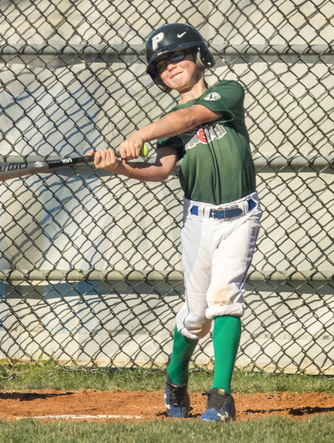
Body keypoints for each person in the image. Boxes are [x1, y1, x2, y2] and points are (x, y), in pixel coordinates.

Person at [91, 23, 262, 422]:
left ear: (200, 56)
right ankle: (175, 378)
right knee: (195, 316)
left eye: (178, 55)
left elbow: (190, 117)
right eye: (162, 64)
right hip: (199, 220)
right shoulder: (170, 122)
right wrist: (120, 166)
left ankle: (220, 397)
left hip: (241, 215)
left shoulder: (227, 93)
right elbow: (159, 170)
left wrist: (140, 132)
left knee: (225, 299)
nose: (171, 66)